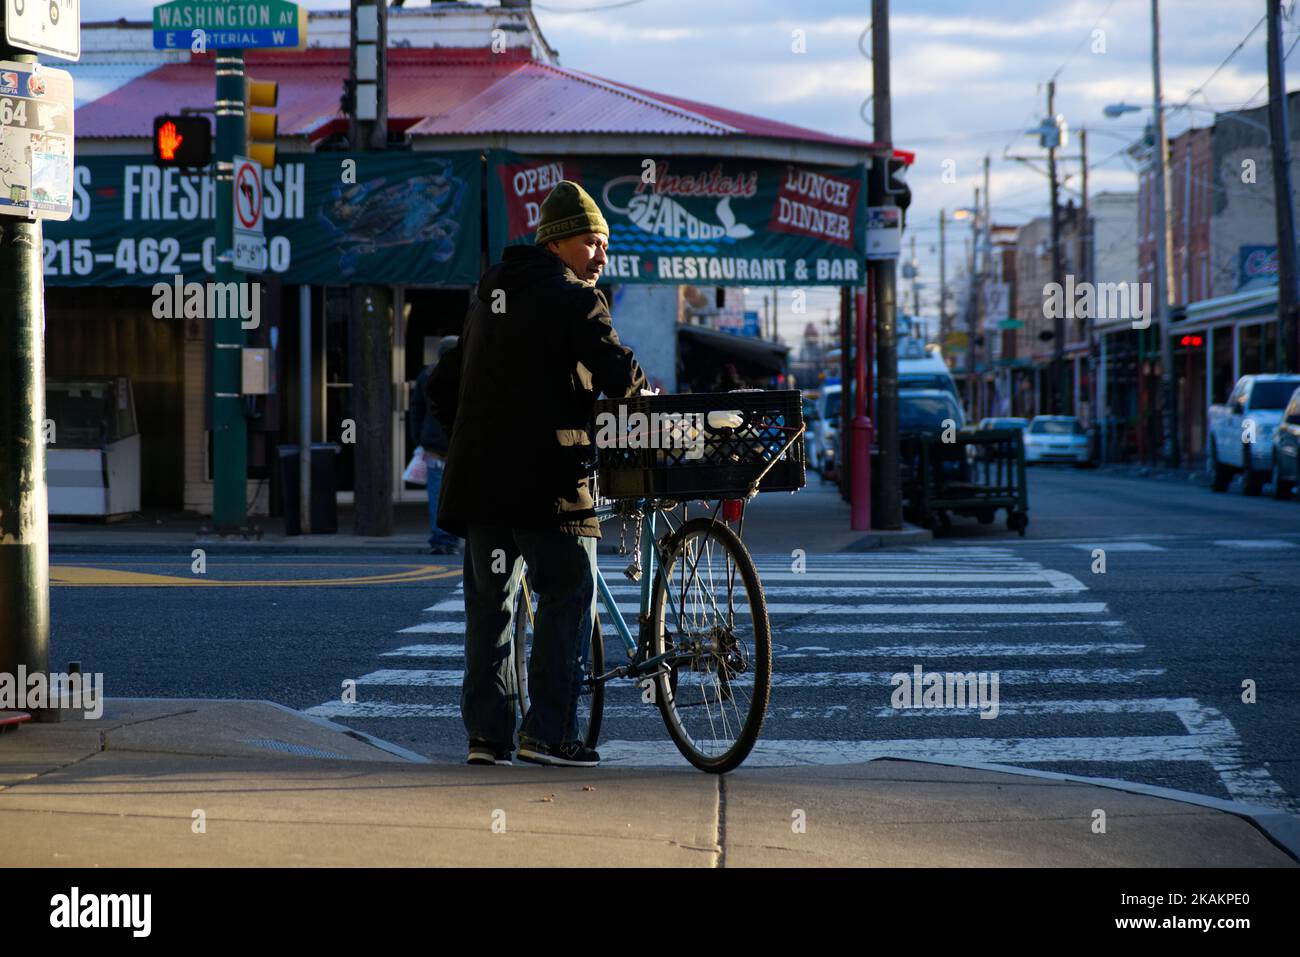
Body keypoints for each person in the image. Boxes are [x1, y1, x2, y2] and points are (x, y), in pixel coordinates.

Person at [428, 181, 646, 768]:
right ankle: (549, 734)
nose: (601, 256)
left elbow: (440, 386)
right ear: (557, 244)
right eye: (591, 242)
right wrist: (645, 393)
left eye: (604, 244)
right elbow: (619, 375)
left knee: (490, 611)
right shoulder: (574, 299)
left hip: (479, 486)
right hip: (550, 486)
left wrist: (474, 439)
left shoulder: (486, 297)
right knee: (566, 598)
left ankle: (487, 737)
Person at [410, 336, 462, 555]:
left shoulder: (426, 375)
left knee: (436, 494)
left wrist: (419, 440)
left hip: (433, 445)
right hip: (459, 444)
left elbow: (417, 411)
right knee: (458, 494)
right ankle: (453, 536)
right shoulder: (466, 373)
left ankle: (440, 537)